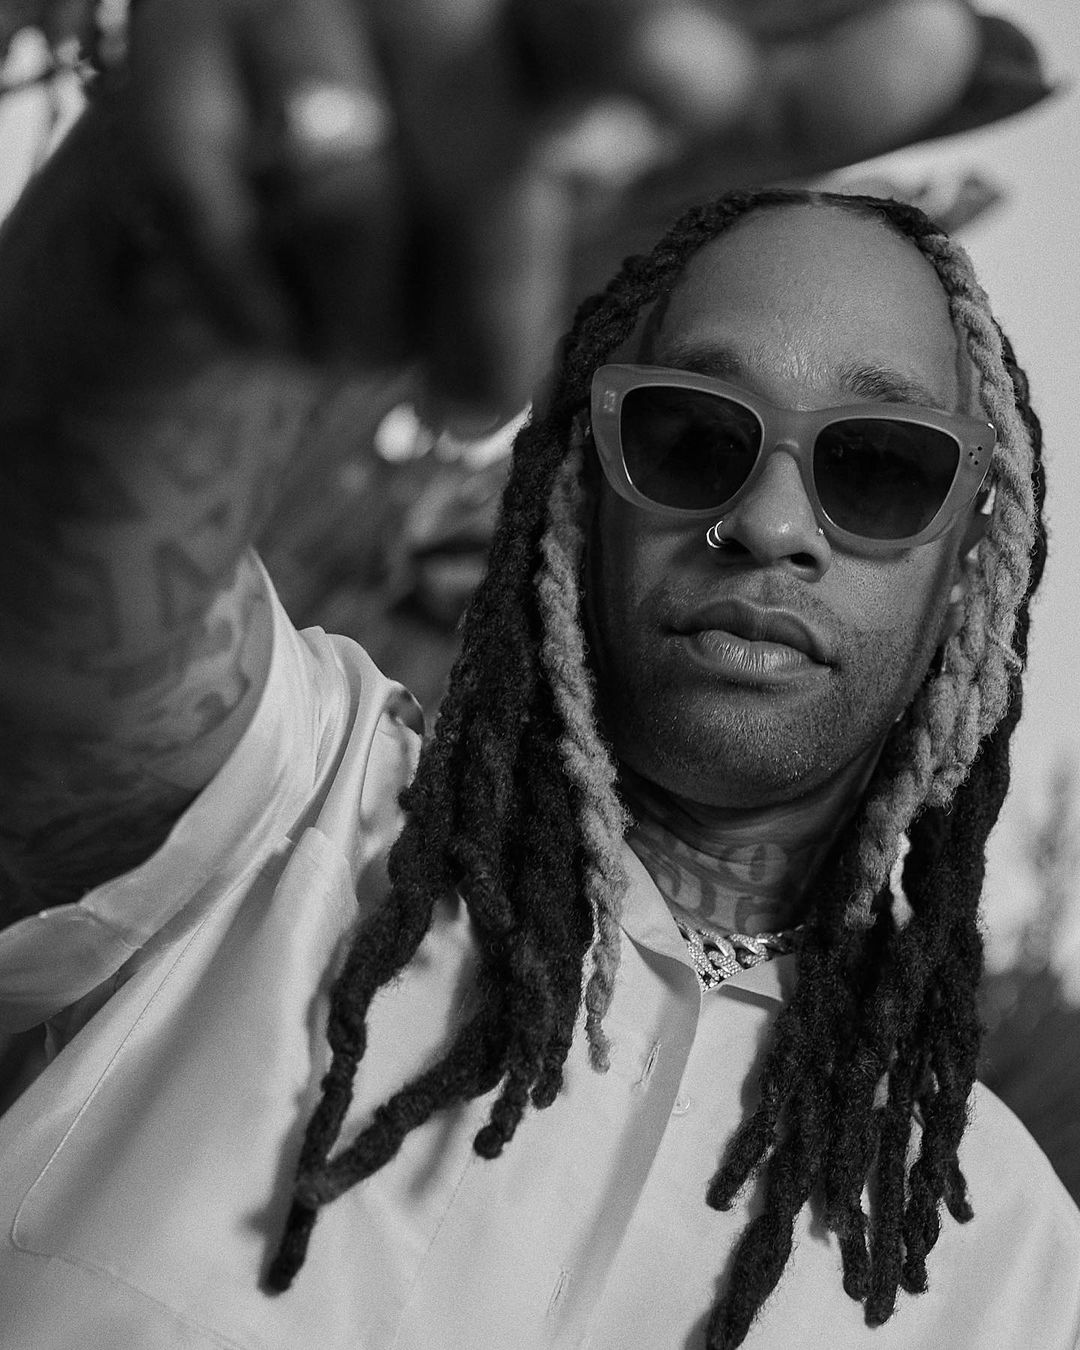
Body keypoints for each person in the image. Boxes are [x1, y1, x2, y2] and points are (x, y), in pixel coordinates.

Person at [0, 3, 1077, 1349]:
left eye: (877, 466)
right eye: (689, 436)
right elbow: (45, 609)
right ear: (582, 492)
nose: (770, 523)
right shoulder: (272, 816)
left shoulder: (1017, 1270)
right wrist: (182, 255)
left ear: (968, 561)